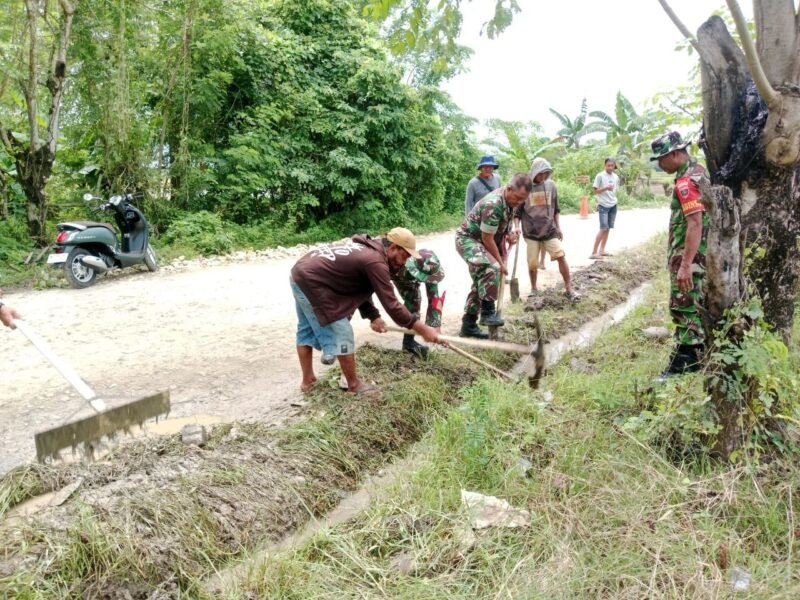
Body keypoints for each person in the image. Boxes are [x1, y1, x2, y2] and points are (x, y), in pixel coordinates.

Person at [290, 227, 442, 395]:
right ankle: (354, 386)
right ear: (392, 248)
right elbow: (393, 306)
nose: (405, 262)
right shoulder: (375, 261)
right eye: (405, 256)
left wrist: (373, 316)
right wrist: (423, 329)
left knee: (305, 329)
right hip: (312, 280)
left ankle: (308, 381)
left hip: (300, 273)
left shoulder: (371, 250)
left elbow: (361, 286)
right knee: (342, 331)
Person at [650, 131, 709, 379]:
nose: (660, 164)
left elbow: (695, 223)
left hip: (690, 257)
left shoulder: (686, 182)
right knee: (695, 303)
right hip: (701, 255)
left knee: (683, 305)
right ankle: (697, 353)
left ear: (674, 154)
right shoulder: (700, 171)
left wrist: (685, 265)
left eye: (661, 159)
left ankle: (685, 362)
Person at [456, 172, 532, 339]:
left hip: (484, 241)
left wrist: (509, 235)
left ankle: (468, 325)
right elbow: (487, 238)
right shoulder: (494, 204)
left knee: (481, 282)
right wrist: (500, 262)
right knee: (492, 268)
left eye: (522, 200)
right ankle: (488, 312)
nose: (519, 203)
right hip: (468, 240)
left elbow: (499, 229)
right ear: (509, 189)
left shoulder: (511, 202)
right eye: (517, 198)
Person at [518, 158, 580, 301]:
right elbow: (518, 211)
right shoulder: (525, 187)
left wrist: (558, 227)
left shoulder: (551, 185)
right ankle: (534, 289)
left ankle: (569, 289)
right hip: (531, 231)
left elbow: (556, 209)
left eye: (546, 173)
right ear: (534, 172)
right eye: (541, 173)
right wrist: (516, 227)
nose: (543, 177)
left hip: (549, 229)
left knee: (560, 256)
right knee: (533, 262)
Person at [391, 249, 445, 359]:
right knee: (414, 299)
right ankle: (408, 341)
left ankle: (408, 342)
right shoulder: (399, 263)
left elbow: (434, 297)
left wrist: (435, 325)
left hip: (408, 273)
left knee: (417, 299)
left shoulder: (431, 269)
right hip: (400, 275)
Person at [590, 158, 620, 259]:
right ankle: (594, 252)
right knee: (603, 228)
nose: (610, 167)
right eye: (608, 165)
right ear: (605, 165)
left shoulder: (616, 177)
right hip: (603, 205)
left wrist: (613, 198)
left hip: (613, 204)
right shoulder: (600, 176)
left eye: (612, 165)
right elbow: (595, 191)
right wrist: (606, 188)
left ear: (614, 166)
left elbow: (615, 191)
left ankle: (602, 250)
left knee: (608, 229)